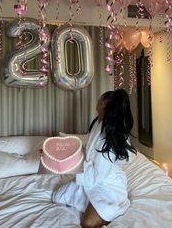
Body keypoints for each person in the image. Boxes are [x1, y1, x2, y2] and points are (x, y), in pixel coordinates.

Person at [52, 89, 137, 228]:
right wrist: (56, 153)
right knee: (58, 196)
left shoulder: (108, 138)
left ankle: (111, 211)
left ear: (104, 103)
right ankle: (90, 202)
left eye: (100, 99)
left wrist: (70, 164)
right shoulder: (98, 122)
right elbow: (88, 150)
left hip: (106, 184)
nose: (97, 101)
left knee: (87, 223)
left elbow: (97, 175)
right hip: (92, 175)